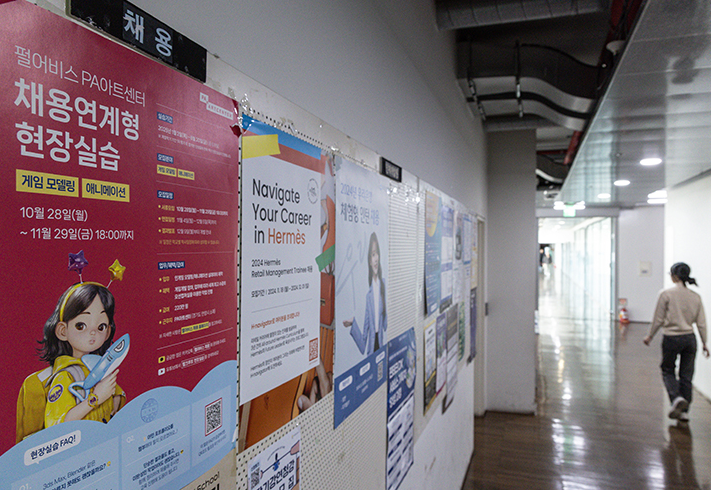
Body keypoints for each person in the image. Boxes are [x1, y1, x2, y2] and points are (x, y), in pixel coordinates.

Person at [38, 282, 125, 427]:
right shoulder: (65, 376)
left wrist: (115, 400)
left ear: (107, 332)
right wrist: (95, 398)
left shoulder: (100, 366)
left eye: (101, 327)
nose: (93, 333)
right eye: (81, 326)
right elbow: (56, 426)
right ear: (62, 331)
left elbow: (116, 397)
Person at [644, 262, 709, 421]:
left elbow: (658, 319)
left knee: (667, 370)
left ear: (674, 276)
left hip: (671, 338)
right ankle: (684, 412)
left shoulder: (666, 294)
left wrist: (650, 335)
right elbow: (701, 323)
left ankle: (676, 398)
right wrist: (705, 343)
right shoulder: (696, 297)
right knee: (686, 375)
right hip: (690, 339)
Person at [343, 232, 387, 355]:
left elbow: (385, 325)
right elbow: (363, 345)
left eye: (377, 253)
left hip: (382, 347)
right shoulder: (369, 296)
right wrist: (353, 323)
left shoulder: (383, 285)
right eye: (373, 254)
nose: (376, 258)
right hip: (372, 352)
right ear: (369, 261)